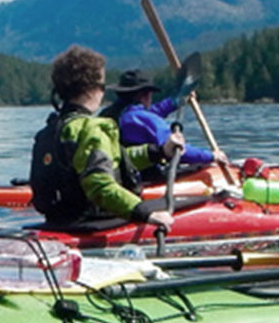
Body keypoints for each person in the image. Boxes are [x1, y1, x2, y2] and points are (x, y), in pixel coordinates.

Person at [28, 45, 184, 230]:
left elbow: (114, 160)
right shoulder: (92, 129)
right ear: (91, 89)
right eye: (102, 85)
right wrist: (144, 212)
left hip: (58, 220)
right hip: (91, 221)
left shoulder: (50, 131)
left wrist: (159, 151)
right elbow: (99, 186)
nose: (103, 91)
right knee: (193, 202)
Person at [100, 68, 228, 184]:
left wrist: (176, 100)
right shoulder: (143, 118)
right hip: (144, 179)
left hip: (118, 175)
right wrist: (212, 156)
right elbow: (177, 150)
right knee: (207, 168)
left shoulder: (109, 114)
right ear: (143, 95)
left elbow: (151, 113)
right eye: (150, 94)